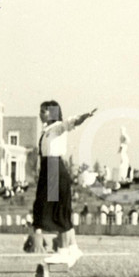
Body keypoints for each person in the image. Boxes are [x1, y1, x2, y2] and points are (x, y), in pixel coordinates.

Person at [33, 100, 96, 267]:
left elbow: (71, 122)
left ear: (53, 112)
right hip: (48, 169)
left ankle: (63, 251)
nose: (41, 114)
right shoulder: (46, 131)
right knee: (57, 209)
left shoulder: (58, 127)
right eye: (40, 111)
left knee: (56, 210)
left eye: (45, 111)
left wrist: (84, 116)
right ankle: (73, 247)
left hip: (54, 169)